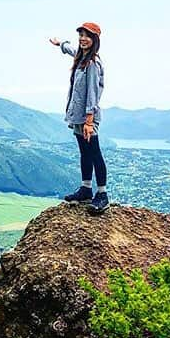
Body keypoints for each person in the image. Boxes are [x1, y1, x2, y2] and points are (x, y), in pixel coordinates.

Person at [49, 22, 109, 214]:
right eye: (81, 35)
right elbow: (71, 50)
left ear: (95, 40)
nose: (83, 39)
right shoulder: (81, 57)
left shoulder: (92, 64)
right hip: (78, 117)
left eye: (87, 36)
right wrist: (60, 44)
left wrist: (89, 122)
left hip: (87, 118)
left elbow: (93, 94)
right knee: (84, 152)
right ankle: (85, 189)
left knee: (94, 153)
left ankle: (102, 194)